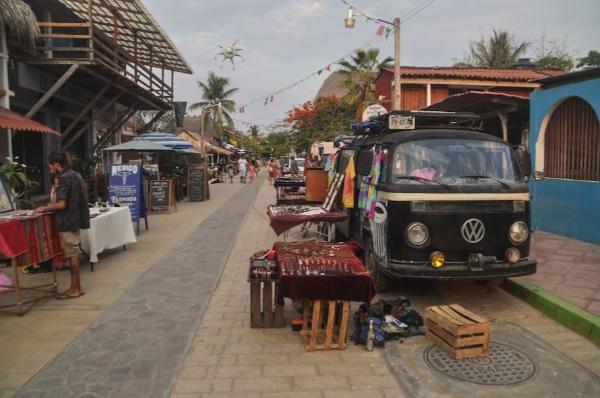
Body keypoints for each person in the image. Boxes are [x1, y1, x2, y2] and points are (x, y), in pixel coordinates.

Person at [36, 151, 90, 299]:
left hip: (66, 221)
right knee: (73, 253)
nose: (50, 170)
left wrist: (44, 208)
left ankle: (75, 289)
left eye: (51, 167)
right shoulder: (76, 175)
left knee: (71, 254)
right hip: (75, 220)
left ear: (57, 165)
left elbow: (61, 204)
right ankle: (76, 287)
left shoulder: (63, 178)